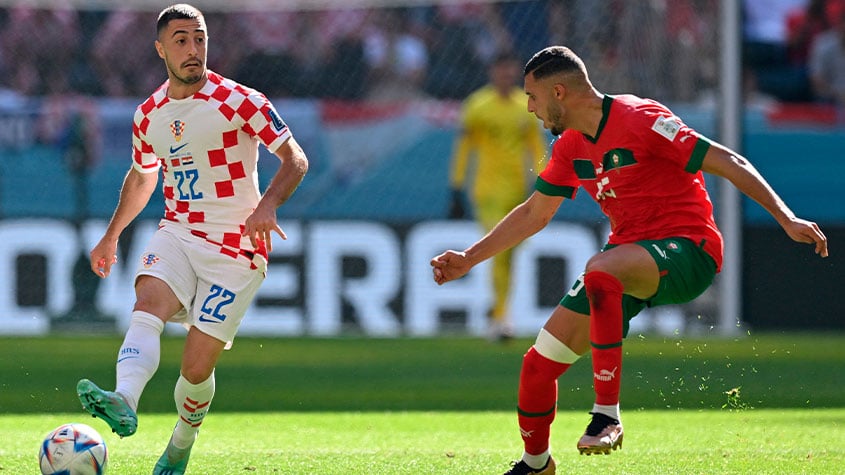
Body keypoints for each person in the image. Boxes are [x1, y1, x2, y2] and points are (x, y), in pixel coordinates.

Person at [431, 46, 828, 475]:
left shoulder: (641, 119)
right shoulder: (569, 148)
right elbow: (533, 214)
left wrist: (785, 218)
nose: (528, 107)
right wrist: (470, 258)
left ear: (559, 92)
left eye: (532, 96)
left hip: (689, 250)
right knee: (536, 367)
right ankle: (536, 464)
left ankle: (607, 415)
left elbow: (727, 160)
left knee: (600, 270)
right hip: (626, 260)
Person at [75, 4, 308, 475]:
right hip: (179, 232)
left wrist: (267, 205)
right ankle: (124, 398)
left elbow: (295, 159)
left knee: (196, 369)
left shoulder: (241, 100)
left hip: (237, 249)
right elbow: (143, 179)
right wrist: (111, 236)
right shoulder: (149, 115)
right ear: (160, 49)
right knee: (147, 302)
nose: (193, 49)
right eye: (181, 40)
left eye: (199, 38)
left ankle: (180, 447)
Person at [448, 51, 547, 341]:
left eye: (510, 70)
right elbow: (464, 148)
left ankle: (499, 310)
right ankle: (502, 319)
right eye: (501, 69)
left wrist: (545, 183)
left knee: (510, 255)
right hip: (487, 190)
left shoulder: (524, 106)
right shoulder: (478, 106)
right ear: (492, 71)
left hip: (518, 191)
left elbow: (536, 147)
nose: (505, 75)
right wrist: (455, 186)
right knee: (500, 249)